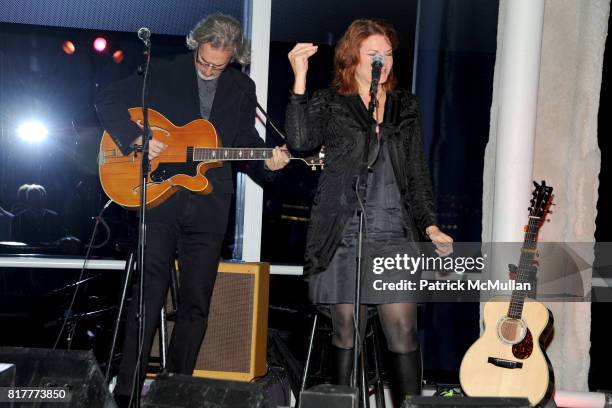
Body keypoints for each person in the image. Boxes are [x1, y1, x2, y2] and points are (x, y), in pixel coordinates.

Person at [95, 13, 289, 406]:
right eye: (205, 61)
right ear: (196, 45)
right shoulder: (162, 72)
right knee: (147, 299)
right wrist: (137, 138)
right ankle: (128, 393)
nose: (210, 70)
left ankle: (176, 391)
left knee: (196, 304)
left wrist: (267, 166)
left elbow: (243, 145)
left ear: (234, 57)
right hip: (158, 199)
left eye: (219, 65)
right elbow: (108, 100)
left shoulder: (241, 87)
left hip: (209, 209)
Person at [285, 19, 453, 403]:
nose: (384, 60)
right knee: (347, 330)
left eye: (389, 53)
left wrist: (430, 226)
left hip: (393, 230)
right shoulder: (330, 102)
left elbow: (416, 172)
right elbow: (299, 141)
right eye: (374, 53)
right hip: (343, 234)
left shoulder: (403, 105)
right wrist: (300, 79)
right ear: (352, 58)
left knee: (403, 330)